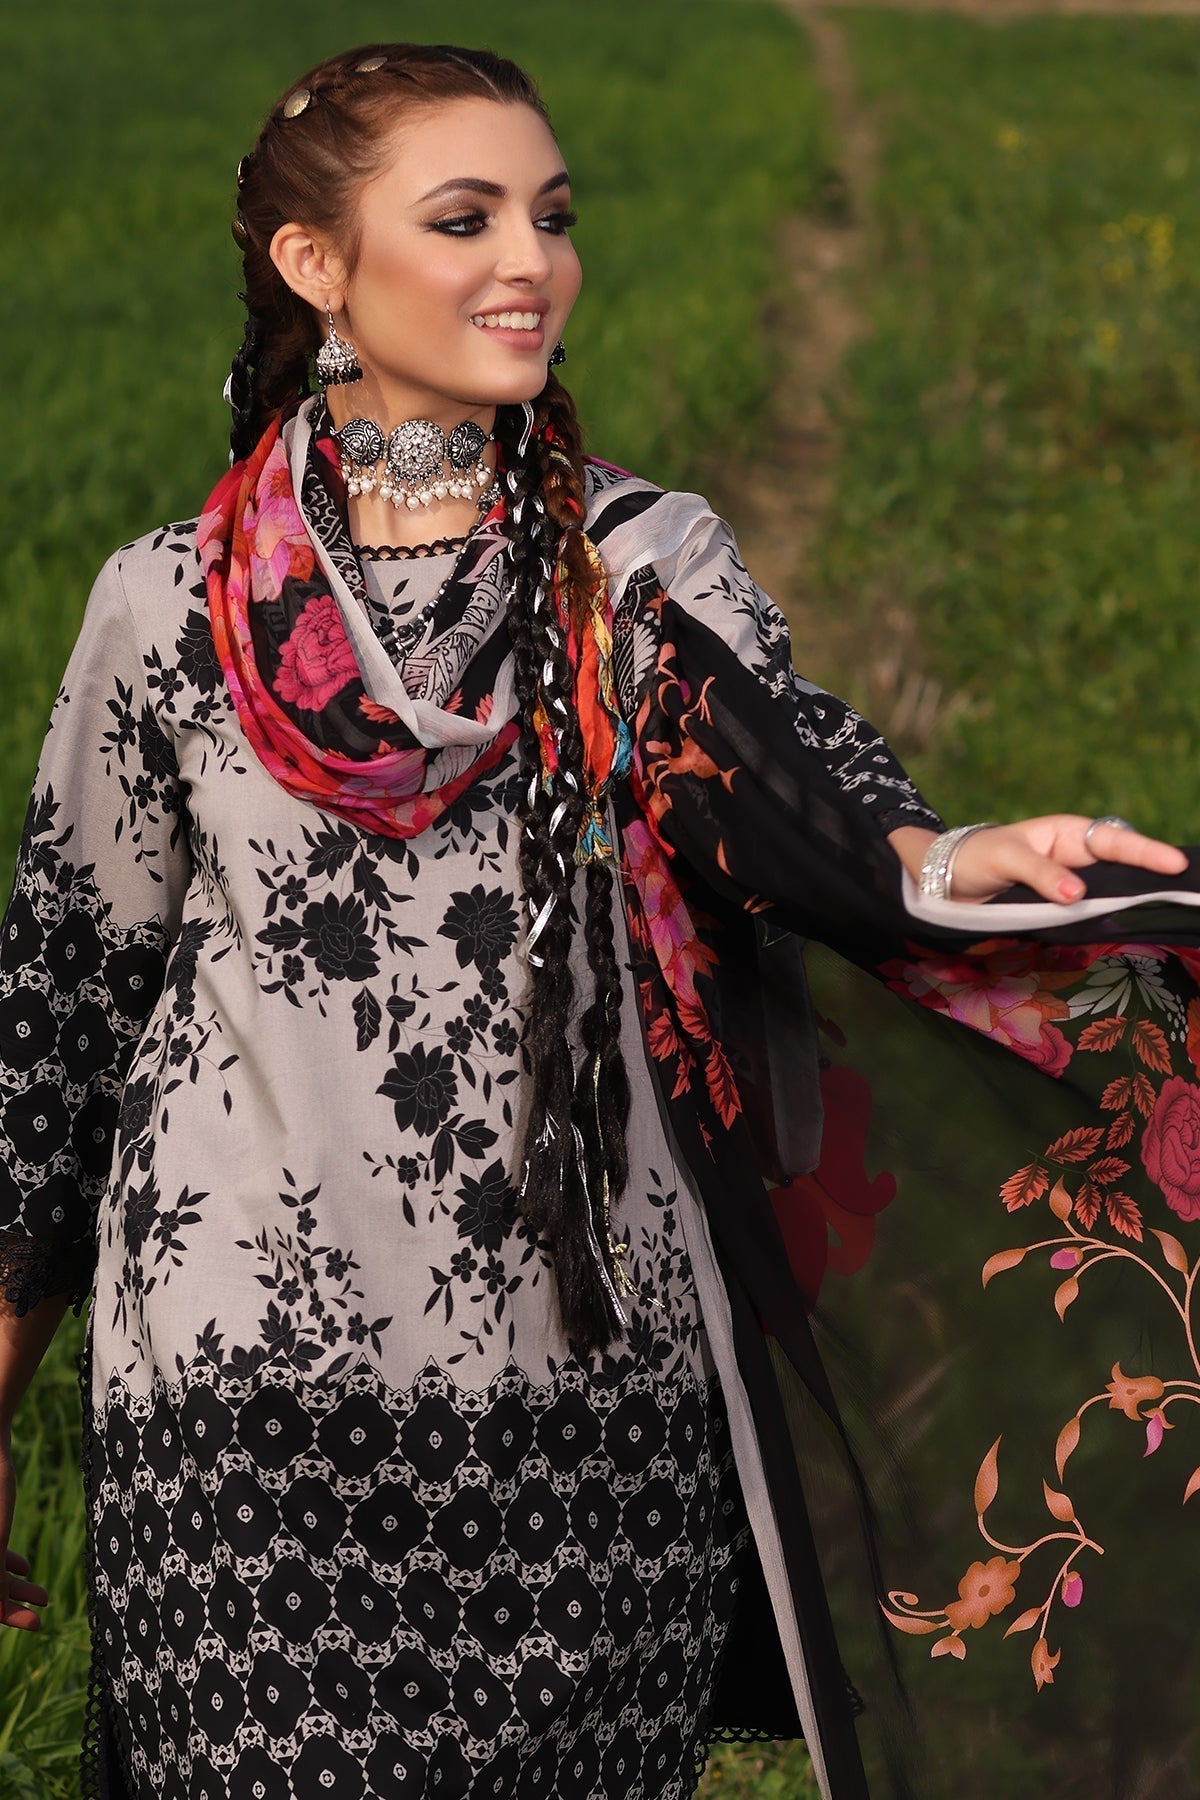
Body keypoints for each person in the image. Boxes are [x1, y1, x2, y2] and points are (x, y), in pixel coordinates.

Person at [0, 41, 1194, 1800]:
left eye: (551, 218)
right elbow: (60, 1018)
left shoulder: (638, 569)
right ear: (316, 265)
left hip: (581, 1384)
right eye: (465, 219)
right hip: (238, 1392)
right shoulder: (166, 606)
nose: (530, 264)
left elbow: (792, 787)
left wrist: (944, 859)